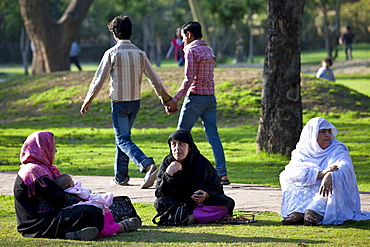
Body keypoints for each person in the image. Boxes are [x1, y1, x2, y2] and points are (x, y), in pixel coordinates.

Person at [80, 16, 177, 189]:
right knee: (123, 138)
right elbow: (155, 79)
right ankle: (121, 176)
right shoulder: (140, 53)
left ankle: (147, 164)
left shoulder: (111, 53)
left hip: (119, 102)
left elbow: (98, 80)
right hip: (135, 102)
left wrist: (88, 100)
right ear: (130, 32)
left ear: (115, 34)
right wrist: (166, 99)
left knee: (123, 139)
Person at [13, 131, 140, 241]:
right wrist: (87, 201)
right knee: (92, 211)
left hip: (52, 216)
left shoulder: (43, 169)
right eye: (52, 146)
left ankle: (78, 233)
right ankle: (119, 227)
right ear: (42, 148)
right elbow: (60, 199)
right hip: (40, 224)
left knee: (110, 204)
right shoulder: (33, 173)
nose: (55, 150)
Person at [165, 21, 230, 185]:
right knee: (213, 136)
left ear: (189, 35)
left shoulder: (191, 50)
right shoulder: (209, 50)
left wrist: (175, 100)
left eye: (183, 38)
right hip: (210, 99)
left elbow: (189, 80)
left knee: (179, 135)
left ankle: (175, 169)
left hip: (195, 99)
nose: (182, 42)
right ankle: (222, 173)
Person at [280, 117, 370, 226]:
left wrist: (330, 175)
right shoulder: (302, 151)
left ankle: (313, 212)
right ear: (312, 134)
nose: (327, 135)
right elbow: (293, 170)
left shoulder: (337, 148)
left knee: (332, 179)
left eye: (329, 131)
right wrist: (320, 174)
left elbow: (343, 165)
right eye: (322, 132)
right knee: (287, 175)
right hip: (312, 181)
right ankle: (298, 212)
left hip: (328, 187)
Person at [155, 129, 235, 224]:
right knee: (160, 203)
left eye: (181, 144)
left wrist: (206, 194)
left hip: (199, 204)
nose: (177, 148)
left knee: (226, 203)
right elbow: (159, 193)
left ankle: (186, 217)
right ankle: (193, 217)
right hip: (178, 203)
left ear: (189, 147)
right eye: (174, 144)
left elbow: (217, 188)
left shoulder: (202, 163)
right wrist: (168, 174)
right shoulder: (167, 164)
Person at [54, 174, 140, 238]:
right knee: (105, 224)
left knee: (103, 219)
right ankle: (122, 226)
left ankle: (79, 234)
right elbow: (87, 194)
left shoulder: (61, 193)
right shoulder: (76, 190)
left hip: (73, 215)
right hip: (91, 212)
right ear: (71, 184)